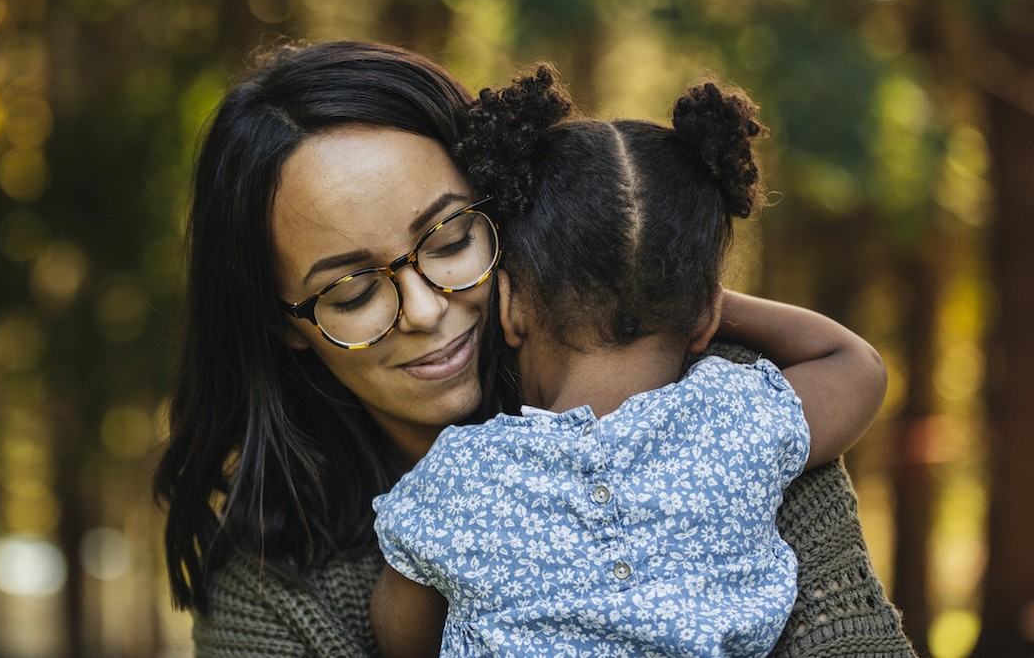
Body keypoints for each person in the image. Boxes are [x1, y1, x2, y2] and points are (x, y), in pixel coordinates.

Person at [153, 40, 917, 657]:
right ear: (282, 320)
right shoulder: (270, 595)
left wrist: (656, 288)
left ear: (512, 211)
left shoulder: (724, 404)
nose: (423, 310)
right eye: (352, 292)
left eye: (450, 239)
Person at [368, 68, 884, 658]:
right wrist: (692, 292)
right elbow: (855, 363)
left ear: (510, 307)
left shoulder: (460, 477)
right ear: (706, 316)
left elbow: (398, 636)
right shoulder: (737, 419)